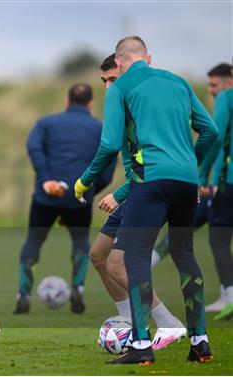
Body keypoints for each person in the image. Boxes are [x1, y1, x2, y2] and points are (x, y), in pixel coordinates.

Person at [75, 36, 217, 364]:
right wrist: (191, 167)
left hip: (150, 184)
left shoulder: (124, 88)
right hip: (185, 183)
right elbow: (210, 132)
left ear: (122, 63)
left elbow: (109, 144)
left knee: (134, 260)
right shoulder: (178, 83)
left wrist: (84, 182)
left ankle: (141, 347)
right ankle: (200, 341)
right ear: (147, 57)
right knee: (185, 256)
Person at [89, 54, 186, 351]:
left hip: (149, 194)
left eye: (113, 80)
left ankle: (169, 324)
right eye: (104, 81)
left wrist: (117, 194)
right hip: (135, 192)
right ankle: (127, 319)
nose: (108, 87)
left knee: (119, 265)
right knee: (98, 256)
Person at [14, 83, 114, 315]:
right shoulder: (100, 128)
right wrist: (88, 189)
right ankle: (77, 287)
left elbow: (34, 148)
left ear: (67, 101)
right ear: (90, 103)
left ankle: (24, 293)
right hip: (79, 198)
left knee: (34, 240)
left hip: (45, 196)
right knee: (80, 238)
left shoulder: (46, 123)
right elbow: (108, 163)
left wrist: (47, 180)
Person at [199, 63, 233, 320]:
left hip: (227, 182)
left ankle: (229, 299)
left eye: (213, 85)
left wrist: (201, 174)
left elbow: (216, 136)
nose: (212, 91)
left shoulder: (226, 98)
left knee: (219, 239)